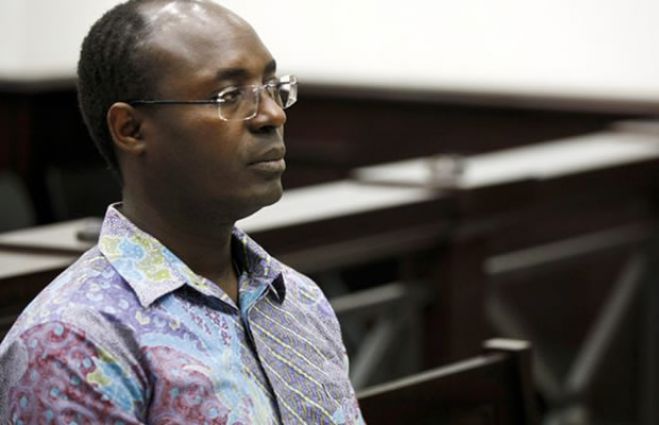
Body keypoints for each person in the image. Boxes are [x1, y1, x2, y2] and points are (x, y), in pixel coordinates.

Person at [0, 0, 365, 423]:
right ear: (131, 129)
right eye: (229, 96)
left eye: (271, 86)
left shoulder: (299, 299)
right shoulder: (70, 343)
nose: (273, 114)